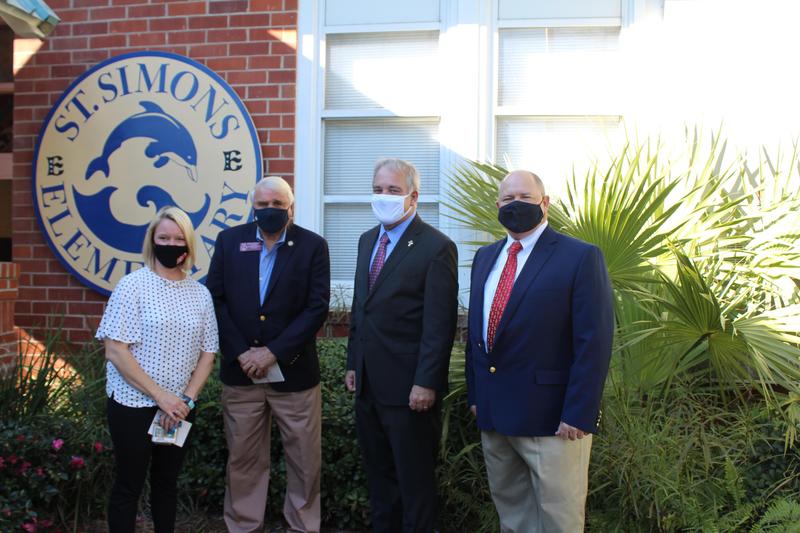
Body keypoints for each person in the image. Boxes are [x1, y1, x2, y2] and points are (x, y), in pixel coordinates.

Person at [465, 170, 614, 532]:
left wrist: (579, 412)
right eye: (508, 199)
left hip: (554, 423)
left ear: (544, 204)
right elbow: (476, 333)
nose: (516, 205)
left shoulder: (579, 257)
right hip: (496, 418)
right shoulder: (486, 257)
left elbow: (593, 341)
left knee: (558, 522)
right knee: (513, 519)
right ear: (498, 205)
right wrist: (476, 395)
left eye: (526, 198)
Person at [206, 176, 330, 533]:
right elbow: (215, 298)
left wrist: (273, 353)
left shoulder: (312, 246)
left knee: (305, 460)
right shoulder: (230, 241)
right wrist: (243, 353)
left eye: (278, 204)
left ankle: (303, 526)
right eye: (263, 205)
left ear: (291, 207)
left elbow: (316, 307)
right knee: (243, 459)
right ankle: (244, 525)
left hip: (294, 375)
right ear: (253, 206)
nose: (270, 210)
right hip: (241, 374)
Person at [345, 158, 458, 532]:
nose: (384, 197)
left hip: (410, 390)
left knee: (415, 485)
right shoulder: (366, 241)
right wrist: (352, 363)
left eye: (393, 190)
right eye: (378, 189)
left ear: (413, 197)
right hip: (369, 385)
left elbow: (438, 325)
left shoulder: (436, 247)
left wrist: (426, 381)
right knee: (380, 481)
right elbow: (362, 308)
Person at [96, 206, 219, 533]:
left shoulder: (200, 294)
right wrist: (160, 397)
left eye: (179, 238)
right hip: (133, 406)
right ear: (152, 240)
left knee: (167, 483)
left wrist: (184, 402)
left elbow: (208, 353)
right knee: (129, 485)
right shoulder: (132, 286)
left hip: (178, 409)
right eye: (164, 237)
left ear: (189, 244)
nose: (171, 243)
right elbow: (115, 350)